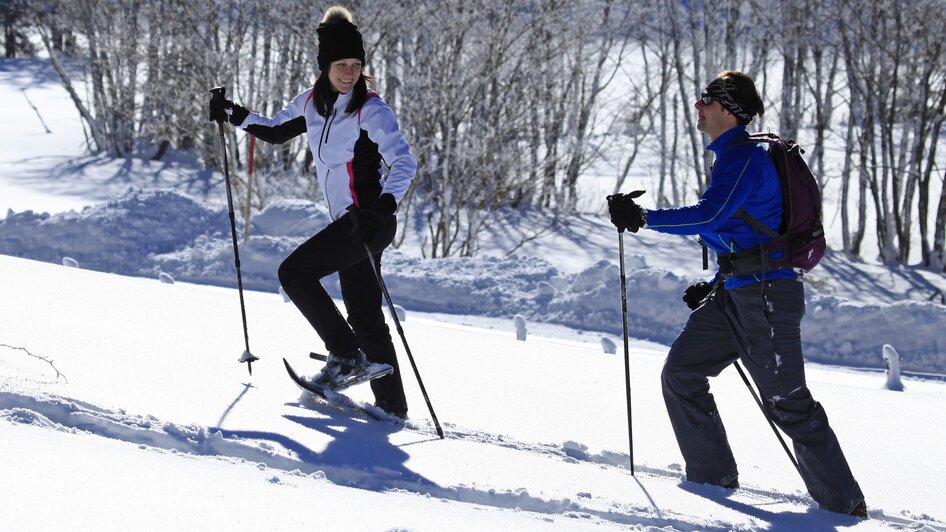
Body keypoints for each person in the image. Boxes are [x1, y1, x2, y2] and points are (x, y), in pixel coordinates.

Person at [607, 71, 867, 517]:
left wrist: (643, 218)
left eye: (705, 100)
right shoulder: (731, 157)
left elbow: (711, 216)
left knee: (788, 404)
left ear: (727, 111)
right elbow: (739, 230)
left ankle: (844, 508)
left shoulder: (744, 158)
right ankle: (714, 482)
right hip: (736, 293)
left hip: (767, 298)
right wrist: (716, 282)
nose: (697, 107)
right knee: (682, 373)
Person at [208, 6, 415, 418]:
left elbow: (404, 162)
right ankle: (392, 406)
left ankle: (344, 356)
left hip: (368, 222)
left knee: (295, 273)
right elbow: (275, 130)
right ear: (325, 66)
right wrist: (232, 113)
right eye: (342, 64)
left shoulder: (370, 109)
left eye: (356, 65)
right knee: (365, 314)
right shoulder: (312, 103)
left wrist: (383, 208)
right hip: (349, 223)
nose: (350, 72)